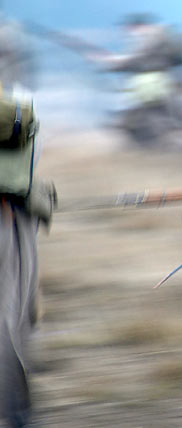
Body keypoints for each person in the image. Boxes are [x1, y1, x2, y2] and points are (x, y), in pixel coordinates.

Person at [0, 94, 54, 427]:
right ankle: (16, 410)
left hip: (11, 212)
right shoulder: (12, 108)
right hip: (12, 217)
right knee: (13, 316)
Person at [87, 13, 182, 147]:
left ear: (138, 25)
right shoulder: (158, 36)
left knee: (162, 116)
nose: (128, 31)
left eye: (129, 27)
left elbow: (137, 59)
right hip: (159, 82)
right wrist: (112, 63)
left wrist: (110, 63)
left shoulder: (151, 38)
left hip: (153, 83)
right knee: (169, 115)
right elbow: (138, 59)